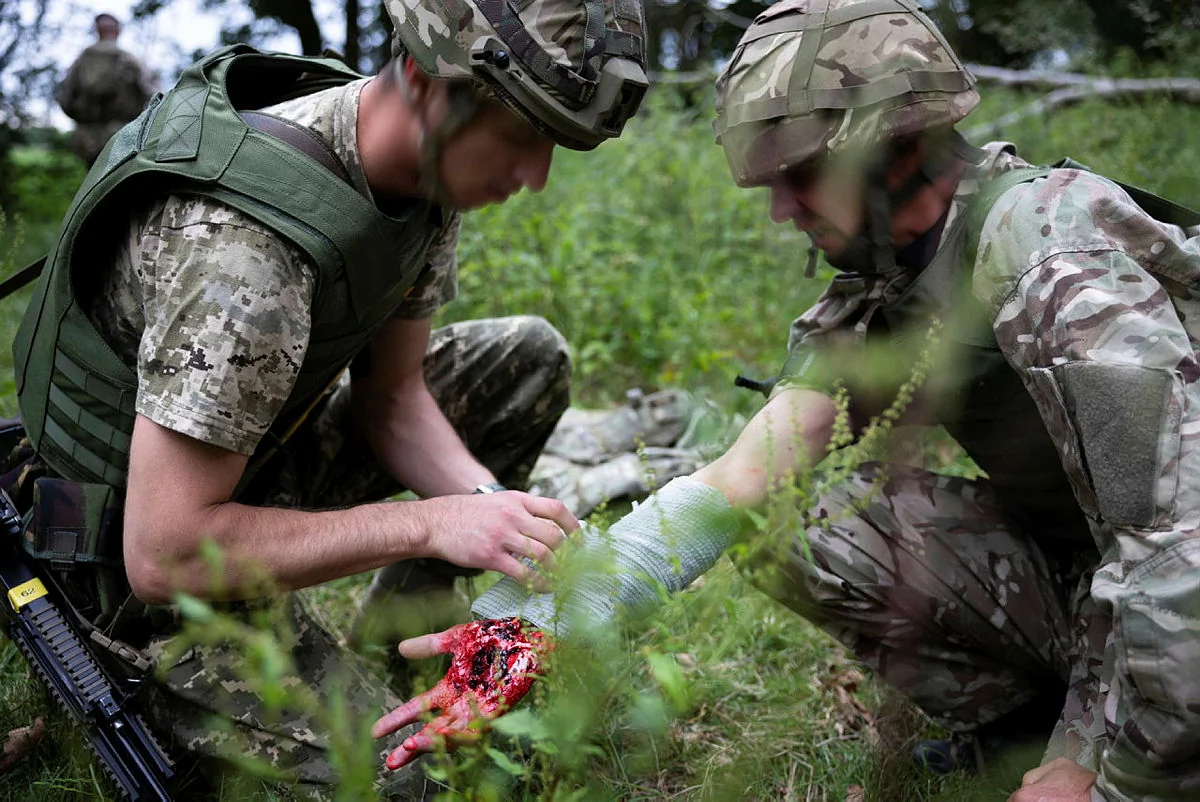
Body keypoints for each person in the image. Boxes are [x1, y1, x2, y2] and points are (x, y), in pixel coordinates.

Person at [372, 1, 1200, 800]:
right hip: (1108, 577)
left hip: (1175, 580)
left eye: (799, 177)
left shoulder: (1052, 256)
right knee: (797, 518)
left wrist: (1109, 777)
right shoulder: (894, 278)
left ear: (898, 151)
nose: (778, 209)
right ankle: (1025, 733)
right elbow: (738, 483)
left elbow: (1178, 550)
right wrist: (544, 617)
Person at [8, 0, 648, 796]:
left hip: (255, 454)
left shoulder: (418, 172)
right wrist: (428, 521)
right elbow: (163, 556)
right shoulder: (244, 247)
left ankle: (404, 632)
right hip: (134, 547)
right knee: (425, 784)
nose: (534, 175)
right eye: (521, 133)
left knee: (526, 358)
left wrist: (492, 515)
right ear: (422, 79)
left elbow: (394, 401)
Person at [56, 12, 157, 167]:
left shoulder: (81, 60)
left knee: (93, 184)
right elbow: (152, 94)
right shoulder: (130, 60)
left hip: (87, 138)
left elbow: (65, 99)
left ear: (97, 30)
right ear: (117, 31)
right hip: (123, 134)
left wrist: (83, 121)